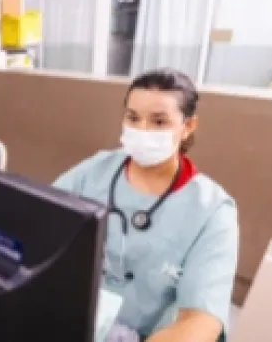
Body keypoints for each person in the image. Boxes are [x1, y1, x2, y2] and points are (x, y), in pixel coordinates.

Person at [53, 69, 238, 342]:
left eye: (159, 122)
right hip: (73, 320)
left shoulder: (212, 211)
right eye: (133, 118)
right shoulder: (97, 170)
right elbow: (40, 218)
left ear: (188, 127)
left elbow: (201, 322)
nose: (142, 131)